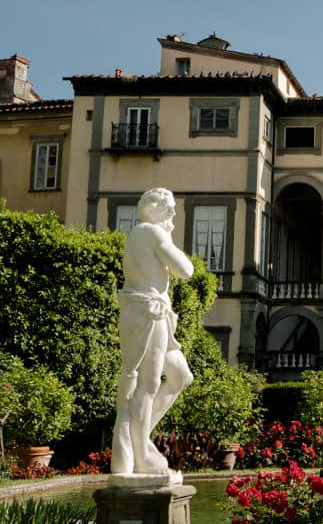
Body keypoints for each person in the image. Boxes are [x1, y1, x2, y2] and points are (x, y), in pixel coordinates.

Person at [111, 188, 195, 478]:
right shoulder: (151, 233)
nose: (173, 214)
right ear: (155, 208)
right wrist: (168, 238)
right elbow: (186, 269)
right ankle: (141, 456)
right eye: (169, 208)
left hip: (154, 314)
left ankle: (140, 440)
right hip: (149, 312)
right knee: (147, 385)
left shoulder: (139, 234)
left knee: (181, 375)